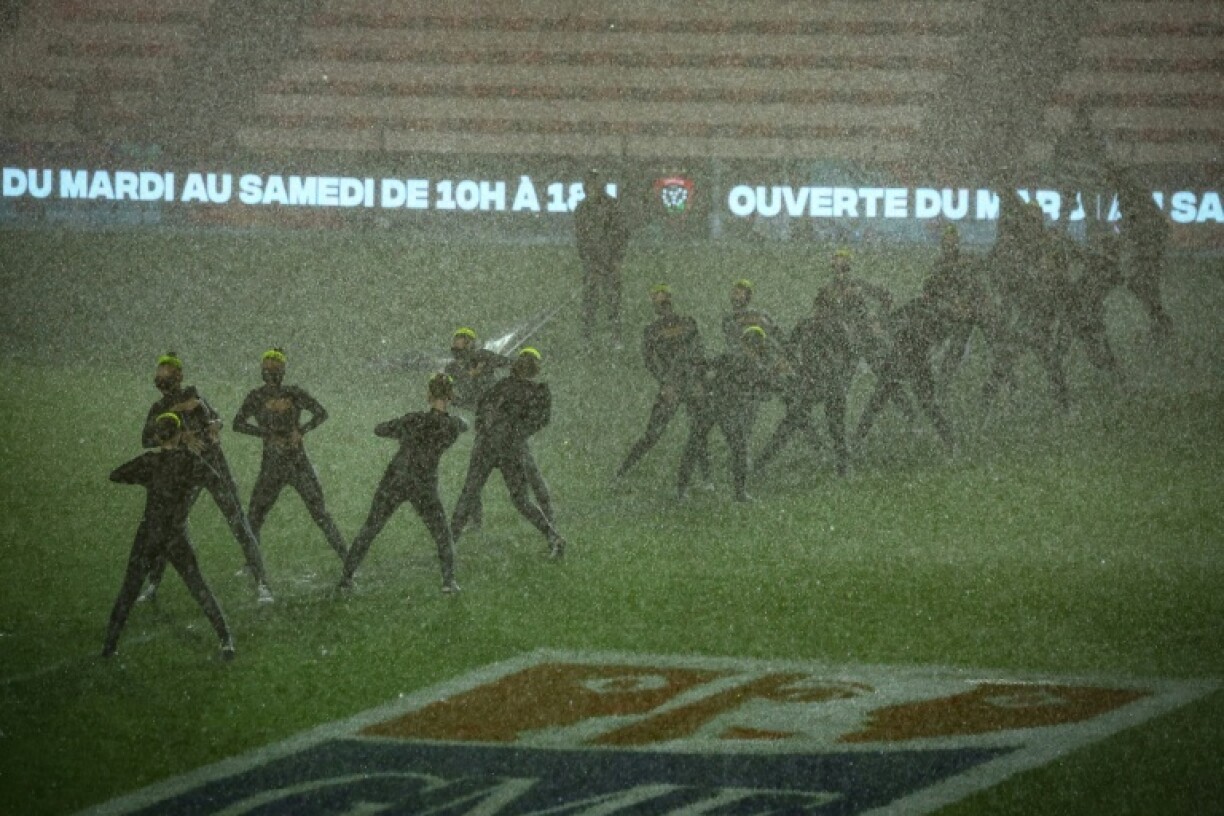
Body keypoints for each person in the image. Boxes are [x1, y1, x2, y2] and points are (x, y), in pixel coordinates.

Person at [138, 353, 272, 604]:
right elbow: (146, 439)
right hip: (184, 472)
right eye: (159, 377)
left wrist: (213, 426)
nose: (162, 381)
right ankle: (153, 583)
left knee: (238, 522)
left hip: (214, 467)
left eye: (166, 376)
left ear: (178, 377)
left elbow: (217, 418)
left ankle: (263, 583)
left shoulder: (194, 395)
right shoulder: (158, 410)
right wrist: (180, 435)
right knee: (171, 526)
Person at [103, 413, 235, 660]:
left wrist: (144, 476)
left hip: (150, 532)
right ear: (180, 433)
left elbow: (116, 475)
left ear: (156, 436)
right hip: (175, 533)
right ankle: (226, 640)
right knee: (198, 586)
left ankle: (109, 645)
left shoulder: (149, 462)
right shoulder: (190, 461)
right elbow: (217, 482)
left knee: (130, 589)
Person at [339, 373, 467, 594]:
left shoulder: (413, 419)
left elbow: (380, 429)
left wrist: (400, 426)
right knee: (442, 535)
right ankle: (448, 581)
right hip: (424, 482)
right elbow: (463, 424)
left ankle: (346, 578)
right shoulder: (452, 426)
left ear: (428, 394)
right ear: (451, 396)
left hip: (396, 477)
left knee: (371, 528)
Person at [232, 348, 348, 563]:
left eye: (274, 369)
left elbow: (321, 413)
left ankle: (347, 559)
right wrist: (267, 435)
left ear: (283, 371)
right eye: (266, 369)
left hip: (296, 462)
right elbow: (237, 424)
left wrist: (300, 431)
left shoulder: (293, 393)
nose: (270, 373)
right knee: (255, 517)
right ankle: (253, 565)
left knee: (320, 514)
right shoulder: (256, 396)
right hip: (272, 465)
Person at [450, 348, 567, 559]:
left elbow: (482, 409)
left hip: (488, 446)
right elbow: (538, 421)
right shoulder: (535, 392)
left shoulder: (503, 387)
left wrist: (487, 427)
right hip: (510, 448)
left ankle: (449, 543)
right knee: (520, 499)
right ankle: (553, 536)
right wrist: (516, 433)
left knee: (469, 493)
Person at [443, 326, 555, 528]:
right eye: (456, 340)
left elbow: (512, 365)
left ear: (470, 343)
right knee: (474, 480)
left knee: (528, 470)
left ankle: (548, 514)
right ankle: (475, 521)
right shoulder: (452, 369)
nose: (457, 343)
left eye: (461, 340)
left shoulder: (483, 357)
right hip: (486, 425)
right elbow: (469, 400)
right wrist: (455, 398)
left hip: (505, 423)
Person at [614, 284, 708, 482]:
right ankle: (622, 472)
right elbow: (650, 362)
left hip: (690, 381)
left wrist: (699, 380)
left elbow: (698, 353)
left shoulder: (687, 322)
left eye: (662, 298)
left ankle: (707, 479)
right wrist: (666, 384)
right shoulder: (651, 331)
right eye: (656, 299)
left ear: (669, 300)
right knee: (652, 435)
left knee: (699, 432)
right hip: (672, 385)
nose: (660, 304)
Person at [677, 326, 782, 502]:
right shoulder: (750, 361)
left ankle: (681, 491)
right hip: (727, 409)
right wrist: (776, 373)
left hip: (710, 404)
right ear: (758, 346)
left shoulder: (730, 355)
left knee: (694, 445)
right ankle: (740, 493)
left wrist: (699, 383)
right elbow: (765, 384)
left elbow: (705, 365)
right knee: (739, 449)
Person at [1109, 163, 1173, 341]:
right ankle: (1159, 322)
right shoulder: (1131, 191)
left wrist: (1124, 228)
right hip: (1148, 242)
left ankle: (1160, 322)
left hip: (1148, 243)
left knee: (1140, 281)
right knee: (1142, 282)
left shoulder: (1128, 193)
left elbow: (1138, 219)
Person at [811, 249, 894, 375]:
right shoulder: (827, 288)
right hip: (839, 331)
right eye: (837, 259)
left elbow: (883, 297)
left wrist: (878, 319)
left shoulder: (857, 284)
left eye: (843, 259)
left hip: (857, 328)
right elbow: (818, 311)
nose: (839, 263)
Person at [574, 168, 629, 348]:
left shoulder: (613, 207)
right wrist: (588, 261)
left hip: (610, 262)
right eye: (589, 184)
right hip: (591, 263)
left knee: (613, 301)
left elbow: (621, 234)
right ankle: (587, 337)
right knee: (589, 301)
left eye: (594, 183)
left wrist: (616, 259)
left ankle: (615, 337)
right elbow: (581, 238)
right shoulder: (582, 209)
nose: (591, 188)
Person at [720, 279, 779, 353]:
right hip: (738, 354)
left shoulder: (759, 314)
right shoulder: (728, 319)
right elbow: (732, 335)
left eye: (741, 294)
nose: (737, 297)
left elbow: (773, 329)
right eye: (736, 293)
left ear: (748, 298)